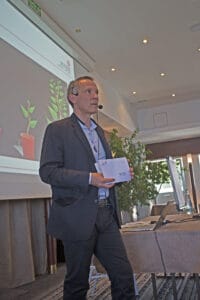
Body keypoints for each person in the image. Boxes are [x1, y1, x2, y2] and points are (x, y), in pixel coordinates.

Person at [39, 76, 136, 300]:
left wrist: (120, 175)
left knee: (123, 274)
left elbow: (104, 174)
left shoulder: (100, 132)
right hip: (77, 216)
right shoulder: (57, 129)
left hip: (105, 215)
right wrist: (89, 179)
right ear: (73, 97)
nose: (95, 96)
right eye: (89, 92)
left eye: (96, 92)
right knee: (77, 282)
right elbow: (48, 172)